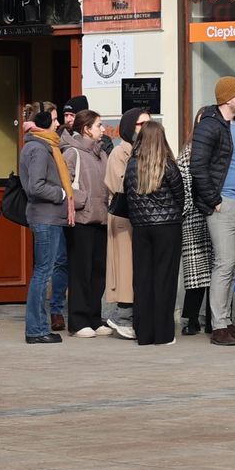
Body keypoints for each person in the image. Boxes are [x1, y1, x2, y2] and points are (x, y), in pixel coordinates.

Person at [191, 76, 235, 347]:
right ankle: (218, 325)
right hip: (223, 205)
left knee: (233, 266)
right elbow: (198, 167)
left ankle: (226, 320)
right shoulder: (209, 126)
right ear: (228, 98)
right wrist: (213, 200)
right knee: (223, 264)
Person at [124, 120, 185, 346]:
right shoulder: (168, 164)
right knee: (164, 281)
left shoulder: (131, 164)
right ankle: (163, 333)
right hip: (167, 227)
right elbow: (180, 196)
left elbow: (128, 196)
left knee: (142, 280)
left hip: (141, 227)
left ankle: (144, 333)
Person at [22, 103, 73, 344]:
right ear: (45, 125)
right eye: (53, 121)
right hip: (45, 217)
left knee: (43, 272)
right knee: (43, 273)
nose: (57, 124)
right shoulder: (40, 149)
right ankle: (36, 329)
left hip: (48, 216)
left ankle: (39, 327)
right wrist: (62, 194)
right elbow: (36, 186)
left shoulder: (43, 146)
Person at [61, 110, 111, 338]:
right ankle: (78, 320)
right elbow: (63, 183)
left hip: (101, 219)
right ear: (86, 129)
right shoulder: (72, 152)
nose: (103, 129)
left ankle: (93, 316)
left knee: (98, 270)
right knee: (81, 271)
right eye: (99, 125)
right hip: (81, 220)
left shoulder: (101, 154)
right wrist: (83, 200)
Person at [104, 107, 151, 340]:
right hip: (123, 217)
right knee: (124, 268)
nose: (147, 129)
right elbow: (120, 186)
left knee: (136, 268)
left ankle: (129, 315)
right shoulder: (119, 153)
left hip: (140, 217)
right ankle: (122, 316)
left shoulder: (144, 151)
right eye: (142, 124)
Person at [180, 109, 213, 335]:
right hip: (193, 216)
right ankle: (191, 319)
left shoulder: (217, 150)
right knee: (196, 274)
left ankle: (215, 319)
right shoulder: (188, 152)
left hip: (214, 214)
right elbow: (182, 186)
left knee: (218, 271)